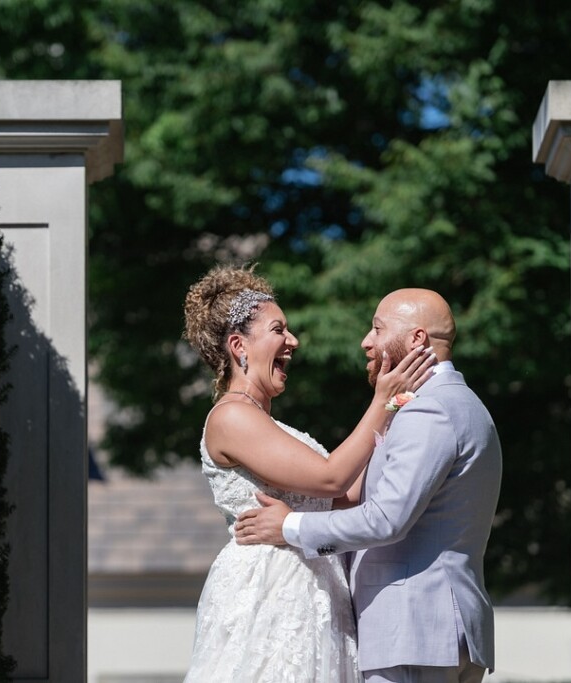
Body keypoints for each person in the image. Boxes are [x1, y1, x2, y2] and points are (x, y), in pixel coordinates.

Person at [234, 288, 503, 683]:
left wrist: (289, 526)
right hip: (434, 631)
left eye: (377, 328)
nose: (367, 341)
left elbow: (386, 520)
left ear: (417, 339)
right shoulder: (456, 403)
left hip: (415, 630)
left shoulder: (430, 409)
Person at [181, 266, 435, 683]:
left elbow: (346, 494)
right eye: (279, 329)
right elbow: (332, 477)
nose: (293, 341)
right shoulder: (231, 417)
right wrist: (384, 401)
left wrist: (405, 427)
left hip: (313, 590)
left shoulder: (273, 426)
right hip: (268, 594)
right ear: (238, 345)